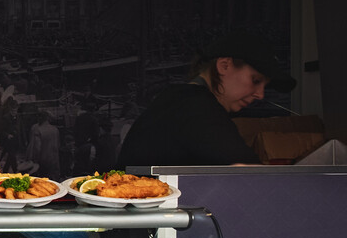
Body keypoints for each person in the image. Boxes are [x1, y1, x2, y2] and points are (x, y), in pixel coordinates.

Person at [117, 31, 295, 168]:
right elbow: (253, 176)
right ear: (224, 65)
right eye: (255, 81)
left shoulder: (176, 99)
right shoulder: (198, 109)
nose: (260, 94)